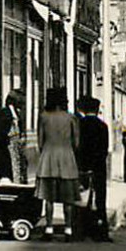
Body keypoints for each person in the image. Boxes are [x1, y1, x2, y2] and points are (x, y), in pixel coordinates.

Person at [35, 87, 83, 239]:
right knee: (68, 198)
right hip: (67, 159)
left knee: (49, 198)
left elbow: (40, 141)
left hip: (48, 159)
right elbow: (76, 142)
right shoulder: (71, 118)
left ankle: (49, 228)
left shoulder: (43, 117)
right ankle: (68, 229)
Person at [76, 96, 113, 241]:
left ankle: (83, 229)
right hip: (99, 167)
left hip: (83, 167)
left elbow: (78, 146)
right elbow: (104, 149)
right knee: (100, 200)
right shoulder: (103, 126)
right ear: (97, 110)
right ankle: (101, 231)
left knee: (83, 199)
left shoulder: (79, 124)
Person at [0, 93, 20, 181]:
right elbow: (1, 132)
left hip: (13, 151)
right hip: (6, 151)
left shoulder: (15, 113)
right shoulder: (5, 113)